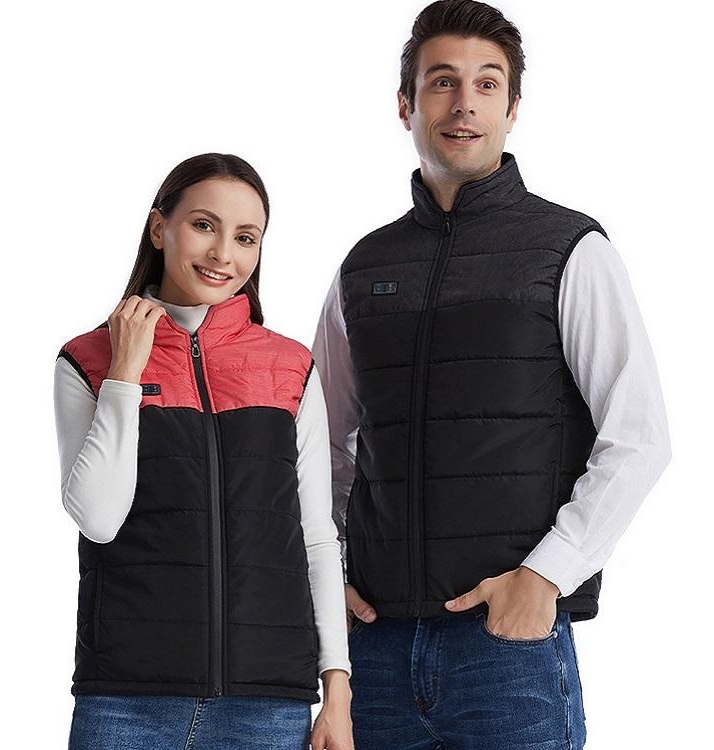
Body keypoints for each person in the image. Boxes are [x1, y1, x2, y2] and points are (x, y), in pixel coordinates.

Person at [311, 2, 672, 748]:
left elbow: (639, 436)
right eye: (442, 81)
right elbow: (322, 447)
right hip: (373, 649)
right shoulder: (363, 269)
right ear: (406, 104)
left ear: (512, 108)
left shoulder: (569, 249)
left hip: (507, 647)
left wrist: (548, 575)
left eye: (486, 83)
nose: (464, 103)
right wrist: (329, 575)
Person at [54, 153, 354, 750]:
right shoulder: (87, 361)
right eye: (203, 225)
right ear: (158, 227)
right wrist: (125, 372)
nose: (223, 254)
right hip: (126, 701)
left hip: (267, 703)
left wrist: (337, 691)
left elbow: (316, 537)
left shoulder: (289, 366)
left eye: (245, 237)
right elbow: (98, 517)